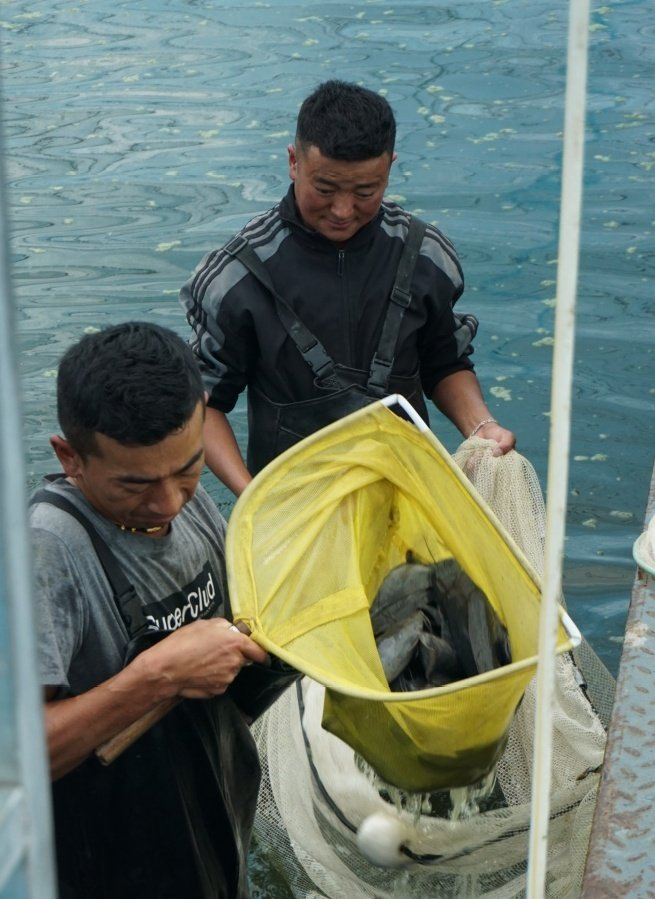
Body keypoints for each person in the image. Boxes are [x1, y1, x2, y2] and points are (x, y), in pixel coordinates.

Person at [181, 79, 515, 496]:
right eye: (324, 189)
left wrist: (481, 426)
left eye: (365, 191)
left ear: (390, 168)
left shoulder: (424, 256)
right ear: (293, 162)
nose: (342, 210)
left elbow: (445, 363)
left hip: (409, 495)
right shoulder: (237, 275)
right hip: (293, 504)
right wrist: (254, 500)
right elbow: (203, 404)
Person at [29, 322, 269, 899]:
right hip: (103, 860)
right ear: (71, 457)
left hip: (207, 818)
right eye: (133, 484)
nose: (167, 502)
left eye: (187, 469)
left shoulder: (190, 503)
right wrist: (158, 675)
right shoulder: (47, 552)